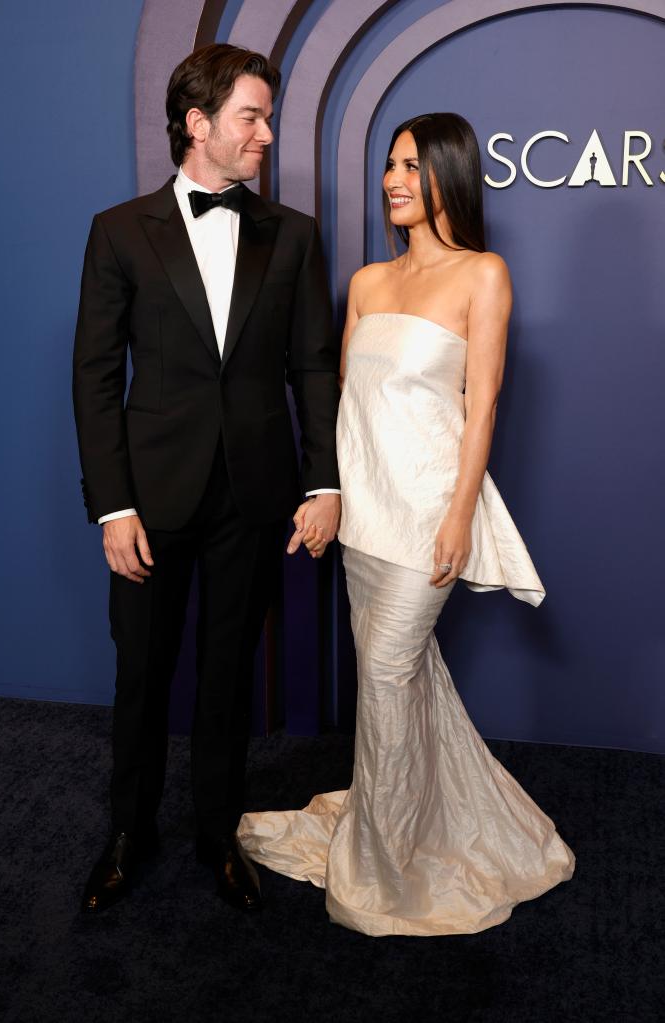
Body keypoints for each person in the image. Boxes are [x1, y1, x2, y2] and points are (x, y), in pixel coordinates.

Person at [238, 113, 575, 936]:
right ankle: (426, 818)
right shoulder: (365, 283)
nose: (392, 179)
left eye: (410, 166)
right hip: (365, 518)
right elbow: (341, 406)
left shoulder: (482, 274)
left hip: (428, 514)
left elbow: (482, 403)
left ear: (448, 175)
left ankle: (384, 866)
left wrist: (458, 516)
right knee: (403, 680)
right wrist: (329, 498)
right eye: (389, 164)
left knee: (386, 679)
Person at [73, 43, 341, 915]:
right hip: (149, 499)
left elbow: (313, 369)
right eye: (251, 117)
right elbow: (96, 376)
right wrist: (113, 505)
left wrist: (323, 483)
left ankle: (216, 833)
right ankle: (128, 833)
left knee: (227, 675)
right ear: (199, 123)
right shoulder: (119, 229)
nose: (266, 133)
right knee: (142, 674)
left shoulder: (293, 234)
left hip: (255, 498)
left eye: (267, 116)